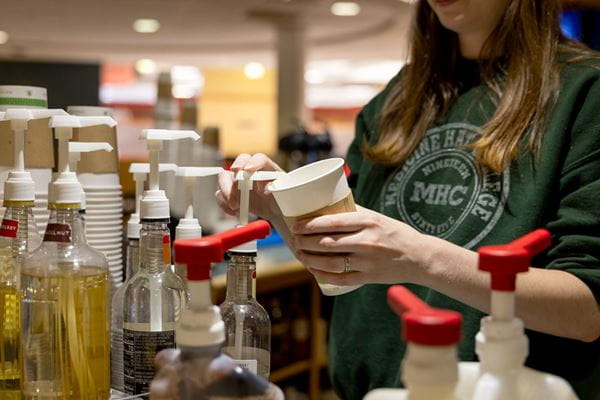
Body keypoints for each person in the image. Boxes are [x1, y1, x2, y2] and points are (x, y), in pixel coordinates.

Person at [216, 0, 600, 399]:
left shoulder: (584, 92)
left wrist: (419, 257)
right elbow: (348, 262)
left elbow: (588, 310)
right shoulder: (401, 97)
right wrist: (287, 208)